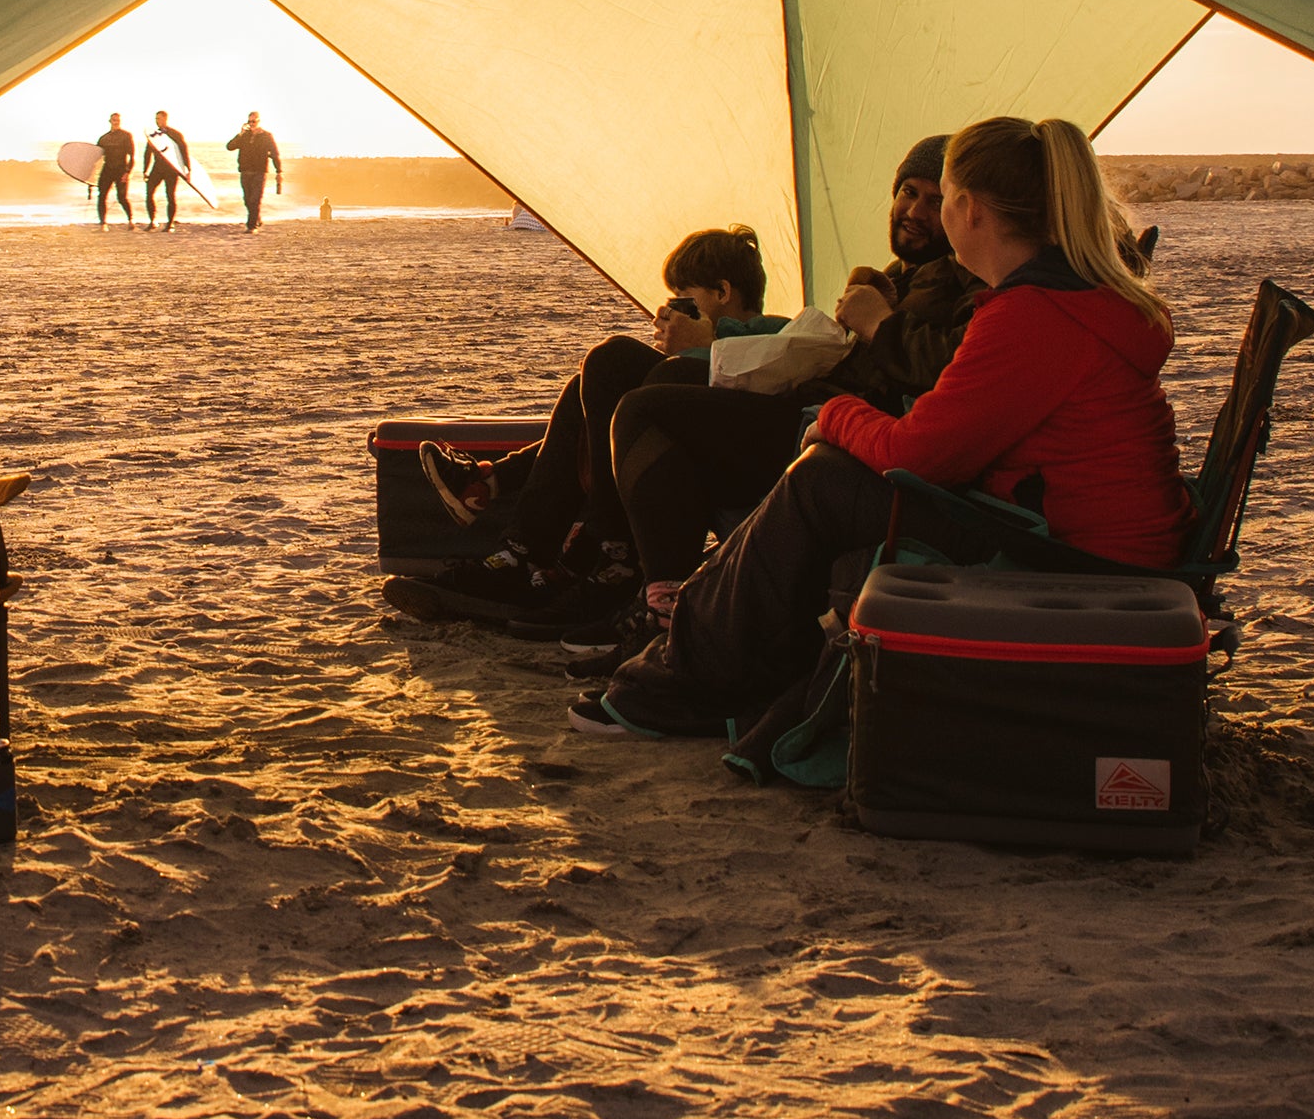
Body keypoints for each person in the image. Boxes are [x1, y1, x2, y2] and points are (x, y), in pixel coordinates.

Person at [577, 116, 1180, 737]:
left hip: (1067, 554)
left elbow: (919, 455)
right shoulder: (1076, 298)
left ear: (968, 210)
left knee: (822, 481)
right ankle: (710, 657)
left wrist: (836, 417)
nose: (928, 211)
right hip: (1078, 535)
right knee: (828, 477)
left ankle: (687, 678)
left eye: (940, 196)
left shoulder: (1035, 316)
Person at [592, 133, 982, 660]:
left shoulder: (971, 279)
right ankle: (613, 568)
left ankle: (668, 609)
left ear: (965, 211)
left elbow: (956, 372)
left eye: (935, 201)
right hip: (813, 408)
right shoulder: (900, 276)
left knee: (647, 407)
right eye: (908, 193)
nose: (914, 210)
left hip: (834, 433)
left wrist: (879, 325)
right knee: (630, 368)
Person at [392, 225, 783, 633]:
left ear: (722, 292)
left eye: (684, 299)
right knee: (592, 383)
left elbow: (751, 393)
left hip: (728, 460)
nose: (670, 311)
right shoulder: (715, 347)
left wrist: (704, 345)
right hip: (685, 446)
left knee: (611, 360)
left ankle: (598, 553)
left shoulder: (780, 333)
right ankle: (520, 549)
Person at [229, 111, 282, 232]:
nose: (251, 124)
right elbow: (230, 147)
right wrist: (240, 134)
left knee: (255, 199)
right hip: (245, 171)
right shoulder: (244, 136)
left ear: (259, 121)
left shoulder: (267, 136)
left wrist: (279, 171)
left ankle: (252, 226)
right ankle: (257, 218)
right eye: (249, 121)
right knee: (247, 200)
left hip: (260, 172)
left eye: (254, 121)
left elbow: (274, 154)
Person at [143, 111, 193, 230]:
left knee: (170, 195)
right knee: (149, 193)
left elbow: (183, 151)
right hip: (157, 168)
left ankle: (170, 223)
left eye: (159, 118)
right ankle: (153, 221)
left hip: (171, 169)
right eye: (156, 118)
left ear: (165, 119)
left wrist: (188, 169)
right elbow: (147, 153)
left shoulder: (175, 134)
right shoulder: (154, 135)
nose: (157, 121)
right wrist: (145, 170)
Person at [92, 113, 137, 228]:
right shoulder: (103, 138)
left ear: (120, 121)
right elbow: (96, 158)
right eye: (114, 120)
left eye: (117, 120)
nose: (116, 122)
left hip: (121, 169)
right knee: (102, 196)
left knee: (122, 197)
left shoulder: (126, 136)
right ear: (110, 121)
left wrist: (128, 172)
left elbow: (132, 156)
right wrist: (90, 176)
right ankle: (103, 224)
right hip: (107, 169)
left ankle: (131, 220)